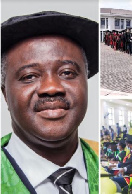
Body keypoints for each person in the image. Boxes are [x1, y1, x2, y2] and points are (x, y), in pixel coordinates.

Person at [1, 11, 98, 194]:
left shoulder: (102, 159)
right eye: (29, 76)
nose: (51, 87)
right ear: (5, 94)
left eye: (67, 73)